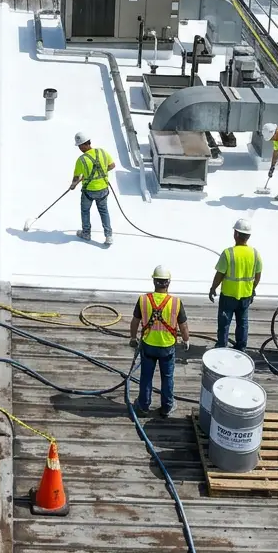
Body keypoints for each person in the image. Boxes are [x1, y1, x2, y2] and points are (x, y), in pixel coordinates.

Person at [129, 265, 190, 417]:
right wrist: (186, 339)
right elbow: (183, 325)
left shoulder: (143, 300)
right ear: (168, 283)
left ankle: (143, 405)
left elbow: (135, 321)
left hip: (148, 345)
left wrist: (132, 338)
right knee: (167, 377)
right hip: (167, 347)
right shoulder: (175, 302)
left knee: (146, 376)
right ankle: (167, 406)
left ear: (154, 281)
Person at [209, 217, 262, 350]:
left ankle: (222, 346)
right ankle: (241, 347)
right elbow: (258, 275)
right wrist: (252, 289)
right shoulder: (255, 254)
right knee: (242, 323)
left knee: (224, 323)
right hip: (245, 295)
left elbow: (219, 274)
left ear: (236, 234)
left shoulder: (228, 253)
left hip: (228, 295)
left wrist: (213, 288)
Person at [69, 132, 116, 246]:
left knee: (85, 211)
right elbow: (112, 165)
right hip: (103, 189)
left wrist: (73, 185)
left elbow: (76, 177)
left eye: (80, 146)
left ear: (84, 144)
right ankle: (108, 236)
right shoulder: (102, 152)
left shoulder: (81, 160)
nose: (79, 148)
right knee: (103, 211)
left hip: (88, 191)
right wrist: (102, 173)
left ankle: (86, 233)